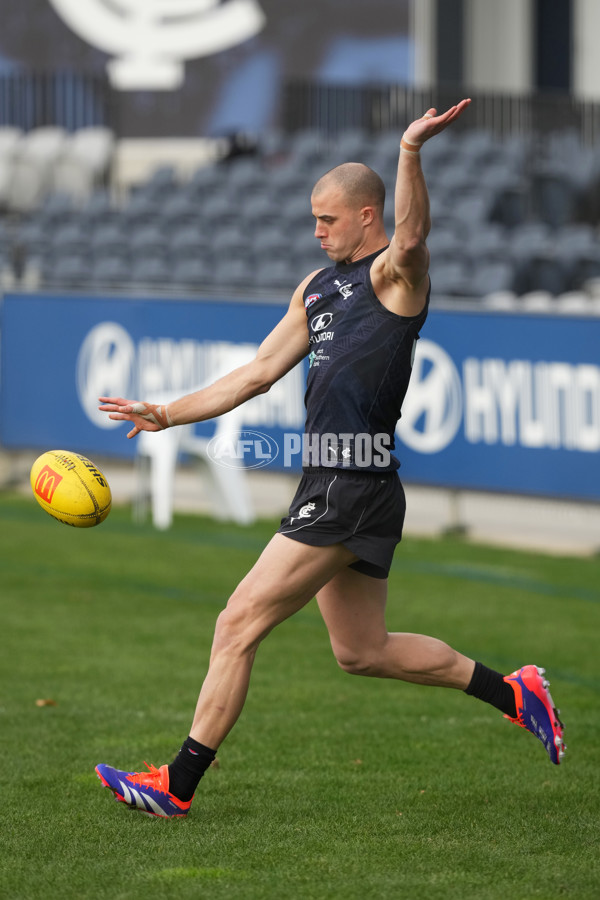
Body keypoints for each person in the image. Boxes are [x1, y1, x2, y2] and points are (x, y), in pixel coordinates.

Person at [95, 100, 565, 819]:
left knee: (237, 620)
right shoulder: (314, 289)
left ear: (367, 216)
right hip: (341, 480)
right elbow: (255, 374)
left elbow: (414, 232)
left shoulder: (394, 275)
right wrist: (167, 411)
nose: (315, 231)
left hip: (354, 481)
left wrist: (410, 149)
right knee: (362, 651)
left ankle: (176, 787)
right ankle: (516, 692)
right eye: (313, 218)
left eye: (328, 219)